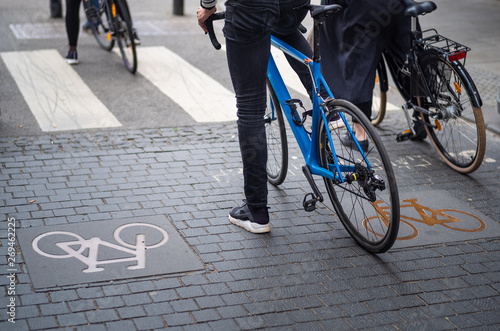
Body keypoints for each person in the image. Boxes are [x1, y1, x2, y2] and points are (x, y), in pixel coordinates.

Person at [197, 0, 313, 234]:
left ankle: (256, 210)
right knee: (285, 25)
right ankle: (333, 112)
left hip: (252, 8)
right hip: (294, 5)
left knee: (250, 106)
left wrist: (207, 7)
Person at [319, 0, 411, 151]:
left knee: (355, 61)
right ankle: (423, 116)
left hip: (365, 11)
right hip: (398, 6)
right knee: (408, 57)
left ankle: (360, 136)